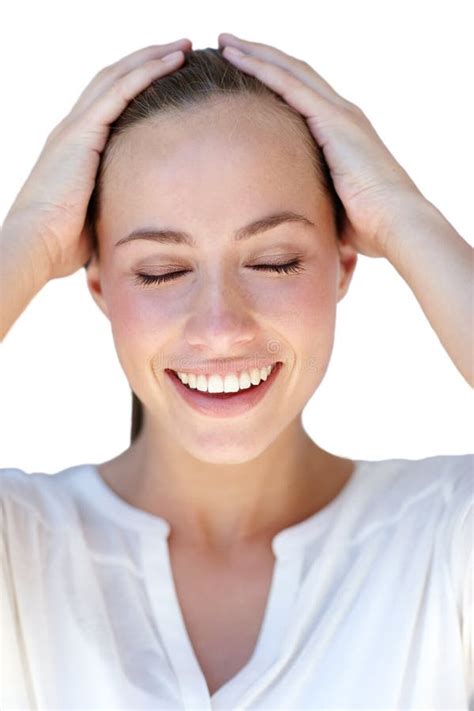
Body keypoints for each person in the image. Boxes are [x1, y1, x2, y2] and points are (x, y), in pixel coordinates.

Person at [0, 33, 472, 710]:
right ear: (98, 282)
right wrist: (32, 230)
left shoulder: (445, 539)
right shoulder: (21, 551)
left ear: (344, 259)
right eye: (160, 270)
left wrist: (406, 215)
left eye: (275, 261)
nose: (221, 327)